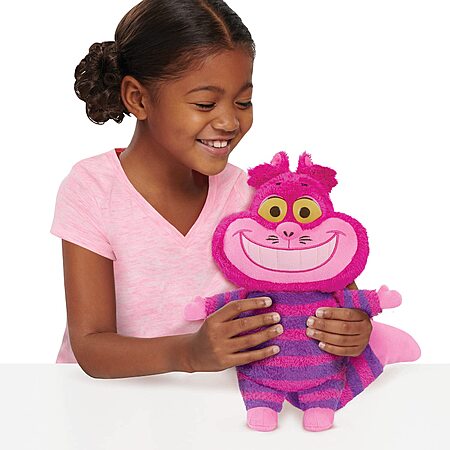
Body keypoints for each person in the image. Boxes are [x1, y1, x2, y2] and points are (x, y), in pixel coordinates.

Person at [50, 0, 420, 389]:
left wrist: (353, 329)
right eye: (205, 104)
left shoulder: (256, 197)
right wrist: (188, 353)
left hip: (223, 405)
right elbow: (91, 346)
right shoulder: (92, 188)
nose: (229, 121)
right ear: (138, 99)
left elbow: (337, 290)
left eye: (243, 102)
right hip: (101, 403)